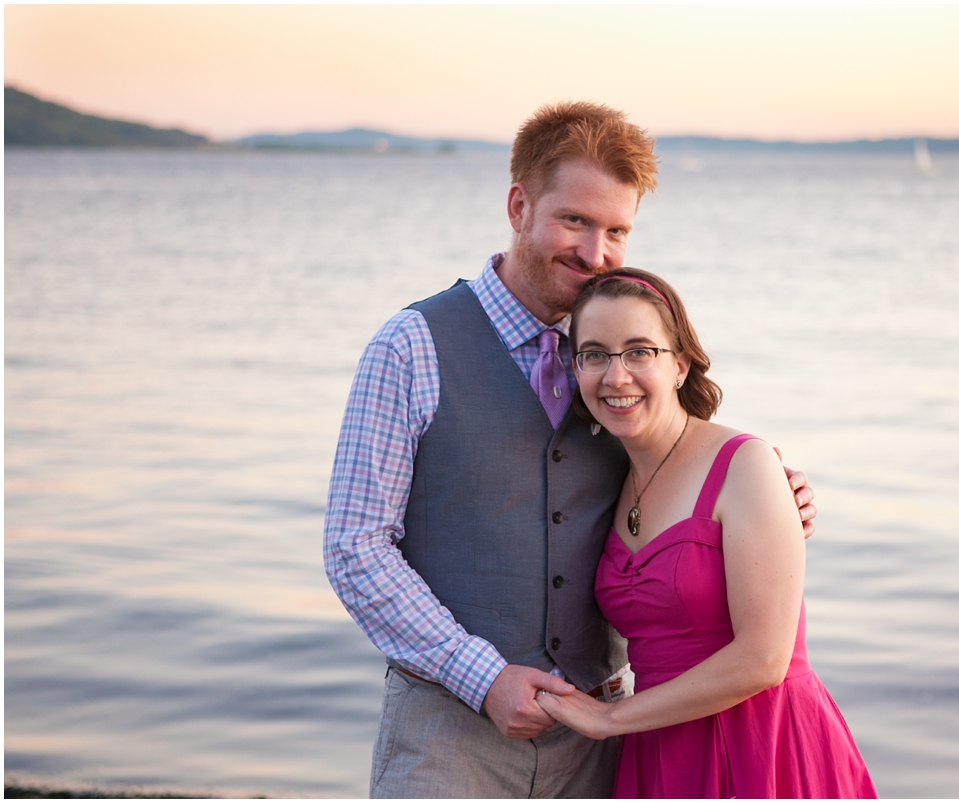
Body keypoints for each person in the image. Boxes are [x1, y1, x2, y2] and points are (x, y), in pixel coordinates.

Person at [323, 101, 816, 798]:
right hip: (451, 734)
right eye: (575, 221)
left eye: (617, 229)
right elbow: (355, 547)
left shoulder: (620, 365)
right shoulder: (410, 346)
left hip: (606, 736)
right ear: (518, 205)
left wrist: (768, 488)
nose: (596, 253)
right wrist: (481, 675)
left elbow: (691, 466)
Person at [535, 268, 875, 798]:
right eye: (595, 354)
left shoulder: (745, 466)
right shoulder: (611, 477)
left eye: (640, 351)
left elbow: (764, 658)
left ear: (681, 364)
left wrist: (608, 720)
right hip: (659, 750)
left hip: (761, 745)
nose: (615, 376)